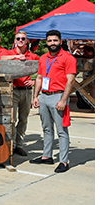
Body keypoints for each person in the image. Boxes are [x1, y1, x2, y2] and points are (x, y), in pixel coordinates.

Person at [31, 30, 76, 173]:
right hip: (44, 95)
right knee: (46, 128)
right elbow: (39, 78)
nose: (52, 43)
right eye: (50, 41)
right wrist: (35, 96)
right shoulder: (43, 58)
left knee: (61, 130)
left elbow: (71, 80)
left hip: (58, 96)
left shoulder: (68, 58)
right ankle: (47, 156)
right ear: (46, 42)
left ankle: (63, 161)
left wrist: (63, 100)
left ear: (60, 41)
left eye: (55, 40)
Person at [1, 31, 39, 156]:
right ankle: (10, 144)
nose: (21, 40)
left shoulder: (32, 56)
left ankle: (19, 145)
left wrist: (34, 81)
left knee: (23, 119)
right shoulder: (9, 53)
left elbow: (43, 71)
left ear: (27, 41)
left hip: (27, 92)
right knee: (12, 119)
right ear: (15, 41)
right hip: (13, 90)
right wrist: (16, 57)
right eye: (18, 38)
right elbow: (1, 59)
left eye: (23, 38)